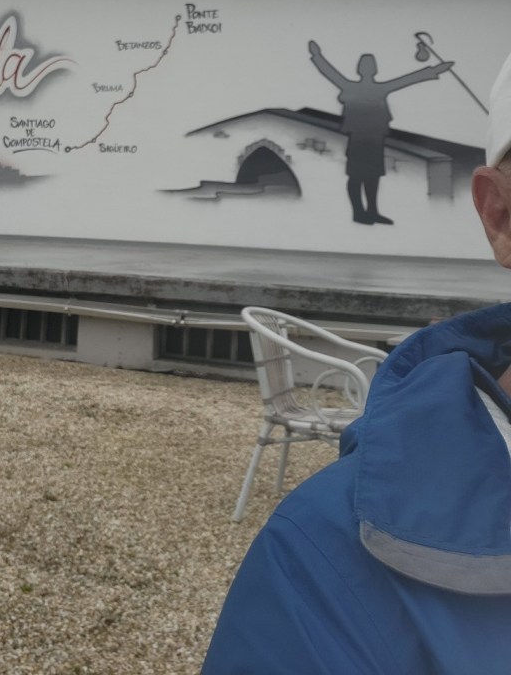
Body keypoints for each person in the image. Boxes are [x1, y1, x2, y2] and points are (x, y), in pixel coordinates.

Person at [201, 50, 511, 674]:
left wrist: (429, 71)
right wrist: (315, 56)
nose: (369, 72)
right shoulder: (327, 569)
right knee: (360, 183)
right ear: (500, 215)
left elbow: (400, 79)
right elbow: (344, 77)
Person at [308, 40, 453, 224]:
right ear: (360, 69)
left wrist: (435, 70)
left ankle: (373, 211)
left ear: (374, 70)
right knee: (356, 176)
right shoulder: (350, 87)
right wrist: (317, 55)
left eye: (370, 66)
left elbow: (408, 80)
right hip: (358, 137)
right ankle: (358, 213)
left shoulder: (378, 88)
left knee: (373, 176)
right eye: (365, 66)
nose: (368, 69)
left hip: (375, 137)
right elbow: (330, 73)